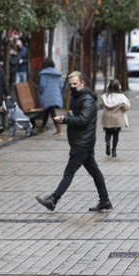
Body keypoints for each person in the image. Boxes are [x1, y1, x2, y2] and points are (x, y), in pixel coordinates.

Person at [35, 71, 112, 212]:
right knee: (95, 172)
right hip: (83, 142)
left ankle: (53, 200)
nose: (72, 87)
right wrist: (68, 116)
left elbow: (83, 120)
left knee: (69, 173)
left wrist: (65, 120)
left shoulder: (87, 100)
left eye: (75, 84)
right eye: (70, 84)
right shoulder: (78, 97)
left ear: (82, 83)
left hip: (82, 143)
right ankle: (105, 200)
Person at [99, 79, 130, 158]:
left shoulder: (105, 96)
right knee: (116, 135)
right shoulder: (121, 97)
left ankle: (107, 143)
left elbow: (100, 105)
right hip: (117, 119)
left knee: (107, 133)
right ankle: (114, 150)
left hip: (107, 118)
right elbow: (126, 107)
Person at [37, 58, 63, 134]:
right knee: (47, 111)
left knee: (51, 111)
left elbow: (42, 85)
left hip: (47, 95)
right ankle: (42, 128)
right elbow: (60, 85)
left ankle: (58, 127)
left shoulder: (43, 74)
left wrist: (40, 93)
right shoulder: (57, 74)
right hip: (55, 95)